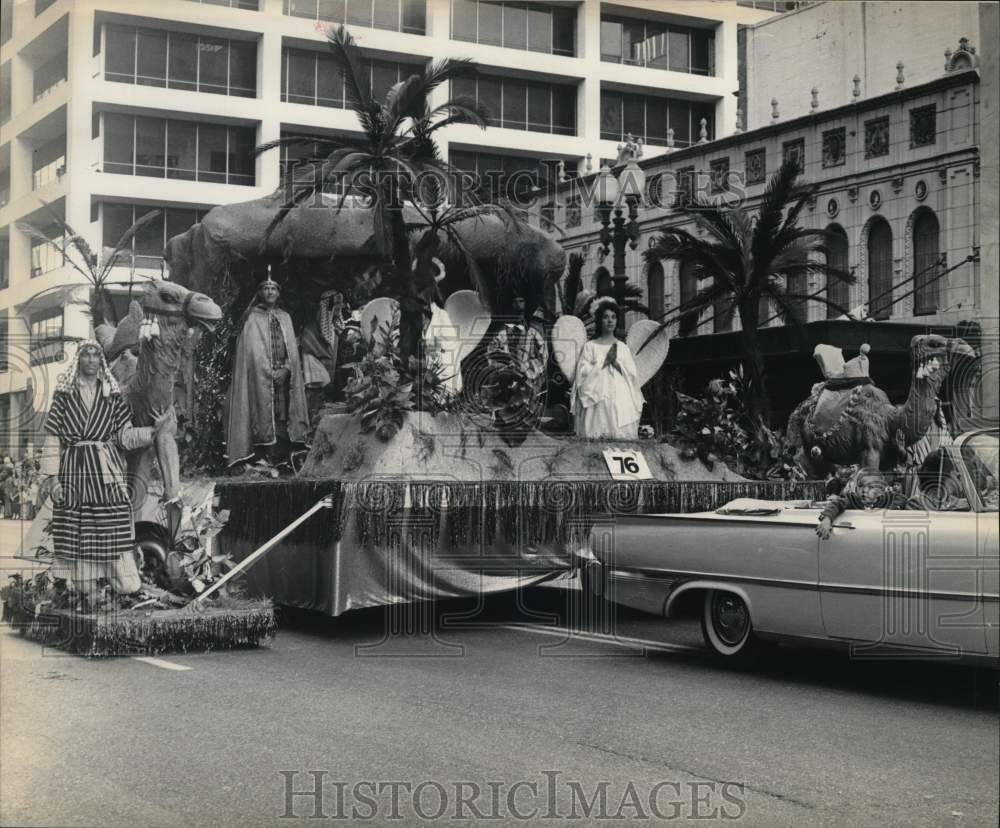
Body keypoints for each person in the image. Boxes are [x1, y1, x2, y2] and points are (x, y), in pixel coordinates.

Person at [44, 341, 169, 601]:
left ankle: (123, 583)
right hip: (74, 472)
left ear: (101, 361)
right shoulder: (64, 396)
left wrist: (153, 432)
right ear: (78, 360)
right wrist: (54, 481)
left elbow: (124, 437)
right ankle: (86, 589)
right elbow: (53, 438)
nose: (90, 359)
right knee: (78, 527)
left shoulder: (111, 396)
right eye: (85, 355)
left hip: (106, 473)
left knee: (113, 523)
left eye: (94, 355)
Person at [226, 273, 309, 467]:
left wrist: (287, 369)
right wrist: (268, 373)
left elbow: (293, 351)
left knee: (283, 412)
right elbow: (251, 351)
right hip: (261, 377)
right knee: (262, 411)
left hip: (284, 378)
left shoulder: (285, 317)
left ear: (279, 293)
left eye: (273, 288)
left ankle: (284, 455)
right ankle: (264, 455)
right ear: (260, 292)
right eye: (266, 288)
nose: (269, 291)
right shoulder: (252, 318)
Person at [570, 298, 644, 440]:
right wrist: (603, 363)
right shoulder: (590, 346)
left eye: (613, 317)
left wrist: (617, 364)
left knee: (618, 423)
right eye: (605, 317)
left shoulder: (622, 347)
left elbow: (632, 374)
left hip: (620, 395)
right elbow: (582, 372)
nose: (610, 321)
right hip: (597, 394)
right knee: (599, 424)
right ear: (599, 320)